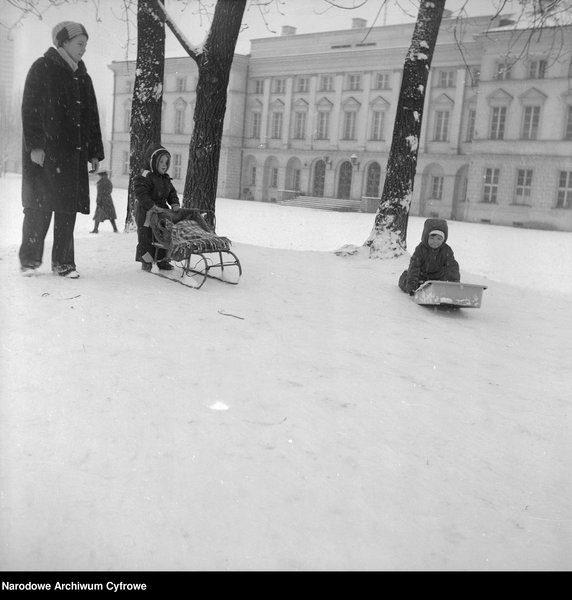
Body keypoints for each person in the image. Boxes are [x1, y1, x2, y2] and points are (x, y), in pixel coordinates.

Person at [19, 21, 104, 279]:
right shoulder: (42, 68)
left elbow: (91, 117)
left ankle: (63, 264)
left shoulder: (83, 76)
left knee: (67, 209)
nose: (84, 49)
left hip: (73, 155)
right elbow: (30, 109)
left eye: (86, 45)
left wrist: (93, 152)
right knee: (39, 207)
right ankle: (30, 261)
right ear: (63, 42)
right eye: (80, 43)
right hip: (46, 154)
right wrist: (35, 146)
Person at [133, 144, 181, 271]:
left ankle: (162, 260)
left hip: (161, 212)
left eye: (166, 162)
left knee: (163, 235)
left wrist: (174, 203)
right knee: (146, 237)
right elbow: (141, 194)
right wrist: (151, 206)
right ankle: (146, 260)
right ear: (153, 162)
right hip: (146, 213)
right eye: (161, 162)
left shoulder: (165, 179)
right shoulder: (144, 177)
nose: (164, 165)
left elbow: (171, 193)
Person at [398, 218, 460, 295]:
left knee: (439, 286)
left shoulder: (446, 250)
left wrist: (453, 284)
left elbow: (452, 267)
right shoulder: (420, 249)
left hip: (438, 278)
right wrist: (412, 286)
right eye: (432, 238)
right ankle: (409, 281)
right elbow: (414, 267)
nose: (435, 241)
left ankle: (438, 289)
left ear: (443, 239)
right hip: (422, 276)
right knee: (407, 281)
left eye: (439, 239)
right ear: (426, 237)